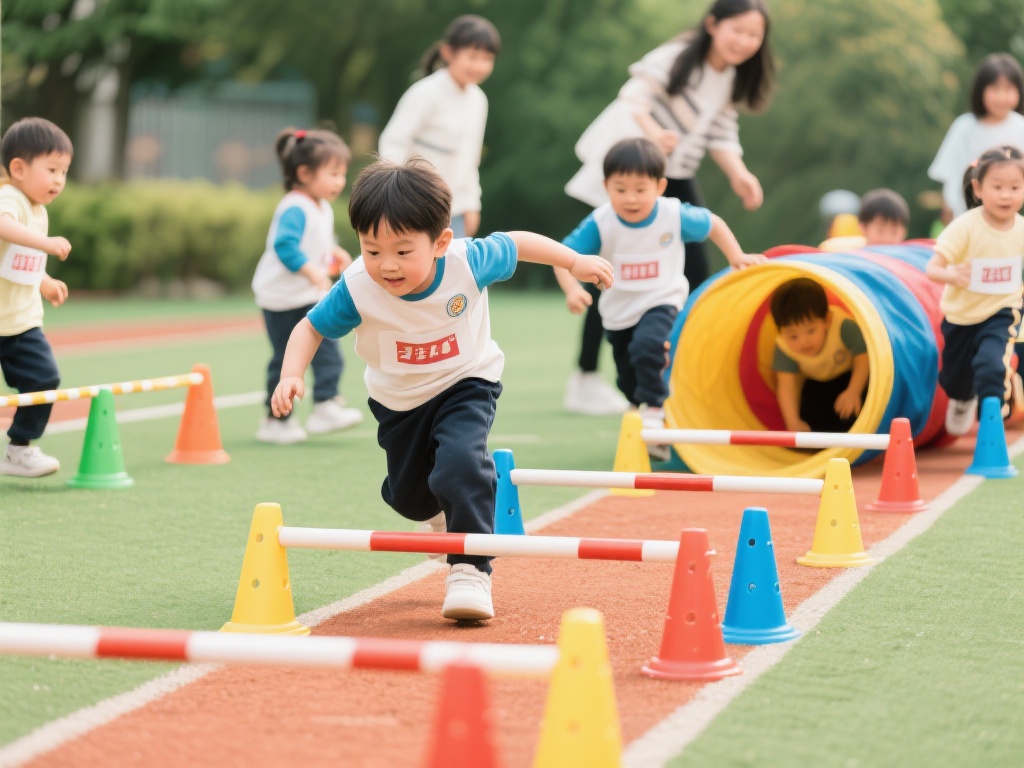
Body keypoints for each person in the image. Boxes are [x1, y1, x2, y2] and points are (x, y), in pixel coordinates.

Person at [270, 158, 613, 622]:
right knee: (409, 498)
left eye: (402, 252)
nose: (386, 265)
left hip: (466, 381)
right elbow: (309, 328)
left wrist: (575, 262)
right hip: (399, 401)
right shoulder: (356, 287)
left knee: (459, 464)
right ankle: (441, 518)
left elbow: (519, 242)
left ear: (440, 242)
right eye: (372, 251)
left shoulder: (466, 261)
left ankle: (471, 570)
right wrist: (291, 374)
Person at [562, 0, 775, 415]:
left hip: (670, 172)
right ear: (713, 24)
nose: (745, 42)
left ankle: (669, 367)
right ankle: (585, 378)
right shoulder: (678, 57)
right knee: (604, 268)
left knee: (694, 270)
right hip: (629, 169)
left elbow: (720, 131)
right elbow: (633, 97)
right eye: (738, 30)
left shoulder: (728, 77)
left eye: (754, 35)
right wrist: (654, 133)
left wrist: (739, 173)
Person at [556, 137, 764, 451]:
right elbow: (562, 255)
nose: (630, 198)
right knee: (627, 377)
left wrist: (736, 256)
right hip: (619, 310)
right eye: (620, 189)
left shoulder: (673, 214)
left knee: (648, 347)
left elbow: (713, 224)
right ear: (605, 186)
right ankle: (642, 407)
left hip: (662, 298)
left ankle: (656, 411)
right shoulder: (601, 222)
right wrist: (572, 289)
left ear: (660, 186)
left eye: (641, 189)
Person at [252, 127, 363, 445]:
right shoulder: (294, 206)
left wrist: (335, 255)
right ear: (303, 173)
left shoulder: (320, 207)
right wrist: (312, 271)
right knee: (284, 359)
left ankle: (325, 405)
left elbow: (318, 245)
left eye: (342, 174)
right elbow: (285, 247)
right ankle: (276, 420)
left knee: (327, 348)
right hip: (281, 298)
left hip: (306, 295)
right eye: (333, 173)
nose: (340, 181)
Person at [925, 145, 1024, 435]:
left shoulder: (1021, 228)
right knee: (954, 380)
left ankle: (995, 416)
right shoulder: (965, 226)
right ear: (978, 188)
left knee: (991, 364)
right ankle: (962, 398)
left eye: (1015, 187)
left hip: (1002, 311)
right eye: (997, 187)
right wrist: (951, 274)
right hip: (961, 316)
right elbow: (932, 268)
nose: (1006, 195)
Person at [378, 14, 500, 240]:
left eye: (487, 59)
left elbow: (470, 158)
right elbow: (393, 141)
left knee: (453, 271)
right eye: (472, 56)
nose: (479, 65)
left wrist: (472, 204)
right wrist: (396, 197)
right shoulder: (426, 92)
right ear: (448, 52)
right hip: (414, 205)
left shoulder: (478, 100)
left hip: (455, 210)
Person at [0, 117, 73, 477]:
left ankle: (19, 449)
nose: (59, 179)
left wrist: (43, 281)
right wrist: (46, 244)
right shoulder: (9, 197)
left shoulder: (38, 210)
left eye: (64, 171)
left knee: (44, 378)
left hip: (21, 322)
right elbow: (3, 227)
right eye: (52, 169)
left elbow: (16, 259)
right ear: (18, 168)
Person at [928, 53, 1024, 224]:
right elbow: (951, 174)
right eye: (995, 89)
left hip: (1011, 217)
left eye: (1008, 89)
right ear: (981, 90)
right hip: (967, 215)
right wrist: (948, 210)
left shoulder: (1021, 126)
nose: (1002, 97)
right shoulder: (965, 126)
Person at [770, 277, 869, 433]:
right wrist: (793, 422)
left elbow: (864, 357)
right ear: (781, 331)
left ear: (827, 321)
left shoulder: (843, 327)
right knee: (810, 414)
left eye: (811, 330)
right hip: (817, 382)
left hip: (852, 377)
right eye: (793, 336)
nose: (804, 341)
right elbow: (786, 386)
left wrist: (854, 391)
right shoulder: (783, 345)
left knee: (855, 408)